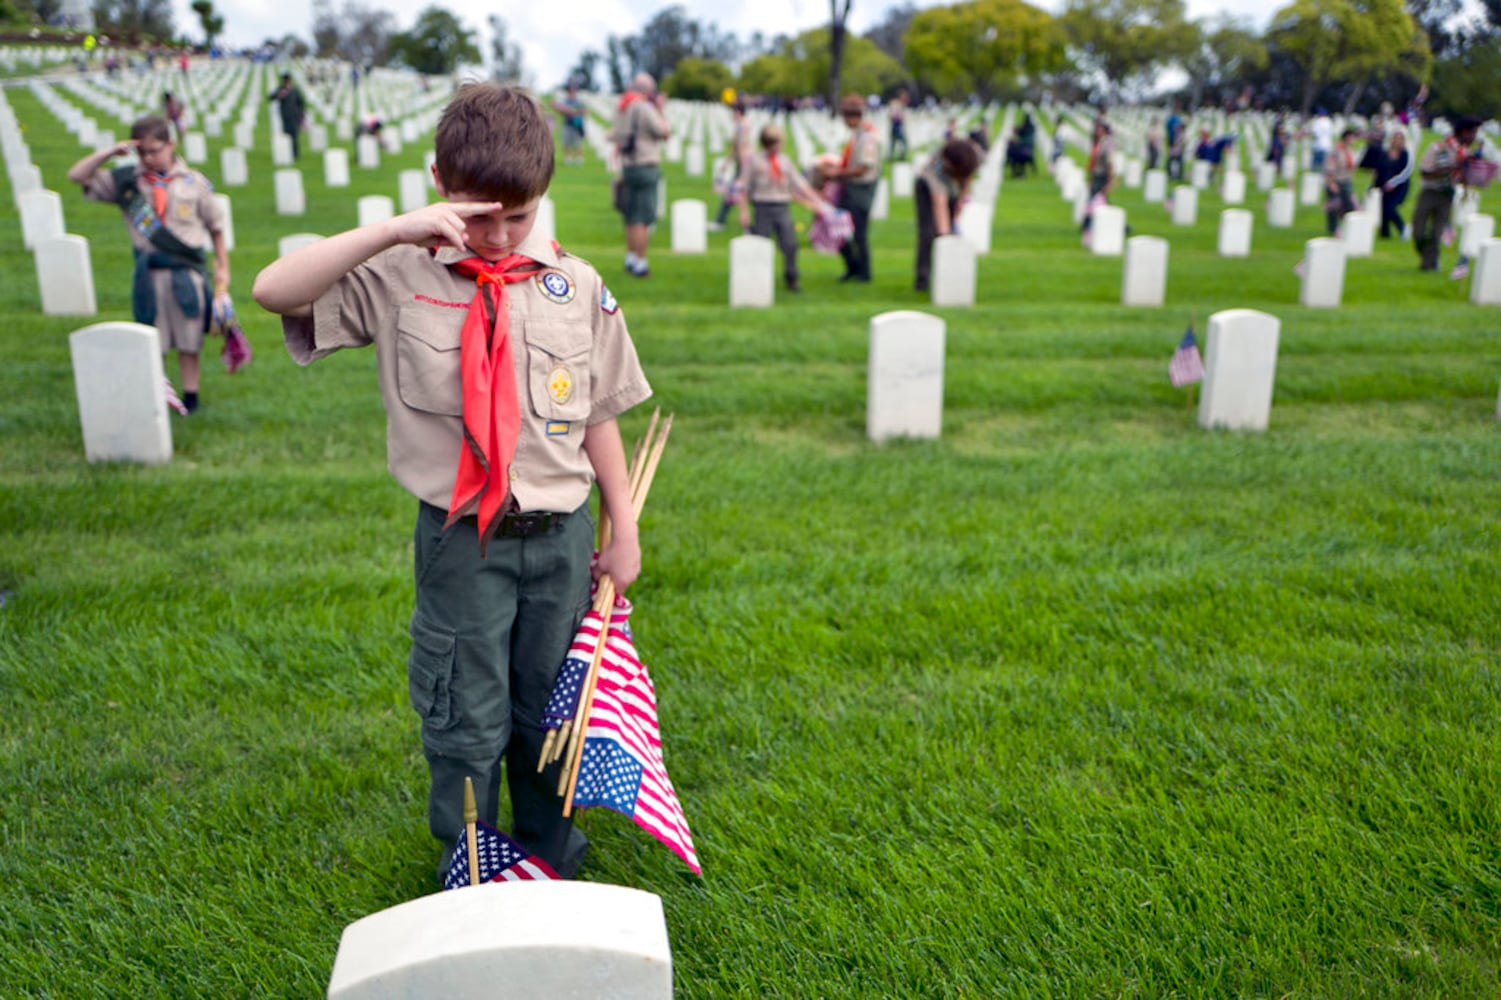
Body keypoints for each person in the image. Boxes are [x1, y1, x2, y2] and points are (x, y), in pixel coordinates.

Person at [250, 83, 651, 883]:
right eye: (479, 216)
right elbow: (273, 291)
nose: (499, 236)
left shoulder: (572, 283)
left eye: (519, 215)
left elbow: (599, 410)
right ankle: (468, 856)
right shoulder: (400, 273)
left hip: (561, 539)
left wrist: (623, 527)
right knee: (464, 711)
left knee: (553, 705)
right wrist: (395, 230)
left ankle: (550, 855)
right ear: (439, 180)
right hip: (460, 538)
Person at [67, 115, 229, 414]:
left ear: (171, 144)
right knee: (152, 338)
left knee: (189, 338)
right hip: (149, 274)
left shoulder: (194, 182)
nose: (149, 158)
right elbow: (77, 176)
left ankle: (191, 397)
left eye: (155, 150)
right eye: (143, 152)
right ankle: (157, 394)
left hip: (186, 272)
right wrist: (110, 153)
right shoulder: (128, 182)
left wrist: (222, 269)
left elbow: (216, 227)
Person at [741, 123, 833, 293]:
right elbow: (744, 188)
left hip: (782, 206)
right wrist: (744, 211)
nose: (778, 147)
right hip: (762, 206)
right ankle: (758, 278)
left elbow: (799, 184)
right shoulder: (754, 161)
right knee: (761, 244)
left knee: (790, 244)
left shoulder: (784, 161)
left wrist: (817, 201)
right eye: (775, 143)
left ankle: (792, 278)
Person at [609, 72, 671, 277]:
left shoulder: (623, 106)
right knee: (642, 218)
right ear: (647, 91)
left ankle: (630, 258)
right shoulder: (644, 108)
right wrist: (661, 110)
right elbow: (664, 132)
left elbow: (615, 133)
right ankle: (641, 263)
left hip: (628, 165)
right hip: (646, 165)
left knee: (630, 216)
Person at [1412, 115, 1481, 271]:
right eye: (1472, 133)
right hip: (1430, 192)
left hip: (1447, 196)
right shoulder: (1438, 148)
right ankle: (1428, 256)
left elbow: (1464, 179)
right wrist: (1449, 169)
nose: (1473, 138)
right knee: (1419, 232)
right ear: (1463, 132)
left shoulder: (1466, 153)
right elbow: (1424, 172)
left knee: (1436, 234)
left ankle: (1428, 266)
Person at [914, 138, 981, 293]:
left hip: (950, 190)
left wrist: (958, 209)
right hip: (926, 189)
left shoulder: (970, 157)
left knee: (952, 232)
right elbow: (939, 201)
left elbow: (967, 180)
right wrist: (944, 236)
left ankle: (951, 275)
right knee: (928, 234)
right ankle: (923, 280)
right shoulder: (934, 167)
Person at [829, 93, 882, 283]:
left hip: (861, 191)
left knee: (859, 233)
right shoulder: (858, 135)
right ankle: (853, 267)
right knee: (840, 230)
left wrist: (838, 174)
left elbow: (863, 168)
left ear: (853, 117)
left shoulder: (867, 138)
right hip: (850, 188)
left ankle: (863, 272)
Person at [710, 101, 751, 232]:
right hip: (743, 163)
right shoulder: (742, 125)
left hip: (744, 164)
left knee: (740, 195)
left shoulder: (742, 126)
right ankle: (720, 220)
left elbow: (741, 147)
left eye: (732, 112)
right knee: (730, 194)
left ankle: (745, 226)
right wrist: (727, 163)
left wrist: (742, 167)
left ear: (737, 112)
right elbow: (736, 149)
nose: (730, 115)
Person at [1372, 129, 1413, 240]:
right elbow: (1379, 169)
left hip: (1399, 186)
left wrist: (1393, 183)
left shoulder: (1406, 154)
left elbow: (1407, 171)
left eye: (1399, 138)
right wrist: (1374, 185)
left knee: (1390, 208)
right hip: (1383, 185)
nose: (1397, 140)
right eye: (1395, 137)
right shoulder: (1385, 153)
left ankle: (1403, 227)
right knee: (1383, 209)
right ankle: (1385, 234)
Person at [1323, 127, 1358, 236]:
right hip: (1336, 180)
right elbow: (1330, 166)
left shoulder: (1350, 150)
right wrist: (1331, 182)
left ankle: (1345, 227)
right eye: (1352, 137)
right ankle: (1333, 228)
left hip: (1346, 181)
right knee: (1334, 206)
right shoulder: (1336, 150)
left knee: (1349, 206)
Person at [269, 72, 306, 160]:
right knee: (286, 135)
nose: (286, 82)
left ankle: (295, 154)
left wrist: (301, 115)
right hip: (285, 116)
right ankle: (287, 154)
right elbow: (271, 97)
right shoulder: (280, 89)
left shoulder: (295, 90)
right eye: (285, 80)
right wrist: (279, 94)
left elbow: (301, 103)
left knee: (294, 136)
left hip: (294, 116)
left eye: (287, 80)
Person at [552, 82, 586, 166]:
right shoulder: (565, 101)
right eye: (570, 91)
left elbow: (584, 111)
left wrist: (571, 111)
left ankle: (579, 158)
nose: (571, 92)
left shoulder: (579, 101)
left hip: (577, 125)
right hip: (567, 124)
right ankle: (567, 158)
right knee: (566, 142)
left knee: (578, 142)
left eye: (573, 90)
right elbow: (561, 111)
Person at [888, 92, 908, 161]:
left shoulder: (899, 104)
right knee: (897, 142)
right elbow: (892, 115)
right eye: (904, 97)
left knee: (898, 142)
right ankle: (892, 156)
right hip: (896, 125)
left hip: (898, 125)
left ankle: (899, 156)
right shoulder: (895, 104)